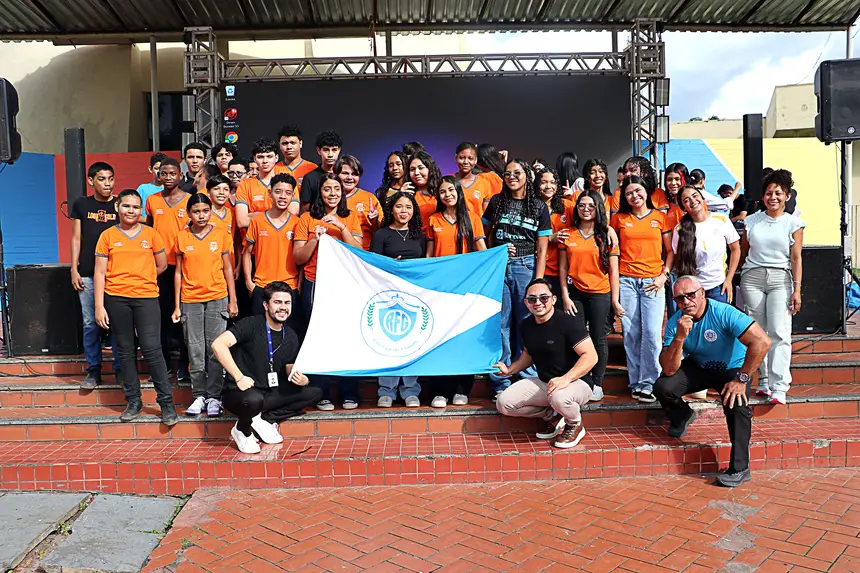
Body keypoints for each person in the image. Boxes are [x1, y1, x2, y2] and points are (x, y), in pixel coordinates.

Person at [654, 275, 772, 487]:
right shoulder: (675, 323)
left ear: (702, 293)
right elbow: (669, 368)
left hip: (732, 369)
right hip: (700, 366)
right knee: (664, 386)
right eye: (679, 298)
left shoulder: (723, 312)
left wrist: (741, 379)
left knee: (736, 403)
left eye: (690, 295)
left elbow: (762, 342)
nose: (686, 302)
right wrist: (679, 337)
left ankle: (740, 468)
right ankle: (682, 416)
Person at [94, 189, 177, 425]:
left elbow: (162, 265)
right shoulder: (107, 236)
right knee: (125, 350)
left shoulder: (151, 234)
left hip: (146, 298)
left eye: (135, 207)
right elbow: (99, 272)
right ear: (117, 207)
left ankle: (166, 403)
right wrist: (99, 306)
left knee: (152, 349)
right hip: (116, 299)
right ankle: (133, 400)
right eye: (126, 206)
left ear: (141, 210)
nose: (131, 211)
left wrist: (142, 277)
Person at [211, 282, 322, 454]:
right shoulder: (250, 324)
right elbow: (218, 345)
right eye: (277, 302)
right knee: (253, 400)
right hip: (241, 393)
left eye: (287, 303)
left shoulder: (290, 335)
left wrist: (302, 379)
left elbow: (290, 369)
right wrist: (239, 377)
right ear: (265, 305)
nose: (283, 307)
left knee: (314, 392)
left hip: (269, 394)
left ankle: (265, 419)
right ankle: (242, 430)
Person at [495, 278, 598, 449]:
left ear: (553, 299)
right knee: (504, 403)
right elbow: (529, 354)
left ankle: (574, 423)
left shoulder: (568, 322)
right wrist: (509, 370)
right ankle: (553, 416)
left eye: (544, 298)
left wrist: (566, 379)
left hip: (577, 382)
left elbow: (591, 356)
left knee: (559, 397)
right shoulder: (526, 325)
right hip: (546, 382)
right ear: (526, 303)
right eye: (532, 299)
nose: (538, 303)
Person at [483, 159, 551, 399]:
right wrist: (494, 253)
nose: (511, 177)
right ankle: (500, 381)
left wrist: (538, 280)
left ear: (527, 176)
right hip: (499, 268)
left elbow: (542, 247)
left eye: (517, 173)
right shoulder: (496, 202)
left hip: (526, 267)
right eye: (507, 173)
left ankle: (526, 378)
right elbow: (482, 235)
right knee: (501, 324)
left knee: (526, 322)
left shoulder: (538, 206)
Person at [294, 174, 362, 411]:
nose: (332, 194)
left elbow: (359, 251)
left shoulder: (350, 217)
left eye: (336, 189)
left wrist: (342, 228)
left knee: (346, 337)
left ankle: (349, 392)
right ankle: (320, 393)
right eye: (327, 189)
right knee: (318, 338)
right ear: (319, 193)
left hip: (344, 284)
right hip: (315, 282)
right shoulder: (306, 219)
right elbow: (298, 257)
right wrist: (315, 238)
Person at [740, 169, 804, 405]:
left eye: (778, 193)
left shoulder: (794, 223)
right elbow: (744, 251)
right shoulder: (751, 221)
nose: (773, 197)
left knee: (779, 332)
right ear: (762, 196)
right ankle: (764, 381)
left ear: (787, 195)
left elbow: (796, 258)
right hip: (752, 278)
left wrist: (797, 289)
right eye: (769, 193)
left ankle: (780, 386)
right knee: (757, 332)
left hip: (781, 279)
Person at [172, 193, 238, 417]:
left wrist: (233, 300)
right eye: (196, 211)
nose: (201, 215)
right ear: (189, 214)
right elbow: (178, 272)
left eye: (205, 211)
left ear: (211, 212)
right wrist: (177, 306)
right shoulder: (182, 237)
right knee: (195, 349)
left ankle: (214, 397)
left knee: (215, 348)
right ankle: (199, 394)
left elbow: (228, 268)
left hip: (217, 297)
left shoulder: (221, 234)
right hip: (190, 299)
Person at [424, 177, 487, 407]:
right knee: (440, 339)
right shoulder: (433, 220)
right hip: (441, 289)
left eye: (451, 190)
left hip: (467, 289)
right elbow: (429, 255)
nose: (447, 194)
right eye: (442, 192)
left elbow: (482, 252)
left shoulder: (473, 218)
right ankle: (441, 391)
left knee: (464, 338)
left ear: (459, 192)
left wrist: (498, 257)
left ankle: (462, 389)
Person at [611, 175, 671, 403]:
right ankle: (636, 382)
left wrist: (663, 275)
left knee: (653, 334)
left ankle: (650, 382)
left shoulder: (660, 217)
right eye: (629, 193)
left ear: (646, 192)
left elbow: (670, 252)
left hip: (653, 282)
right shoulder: (619, 219)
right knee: (631, 333)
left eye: (638, 191)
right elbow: (611, 245)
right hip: (627, 281)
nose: (634, 196)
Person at [559, 190, 621, 402]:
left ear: (598, 209)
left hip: (600, 293)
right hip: (575, 293)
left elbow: (614, 271)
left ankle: (597, 382)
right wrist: (565, 296)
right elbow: (563, 268)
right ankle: (581, 379)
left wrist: (615, 301)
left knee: (598, 338)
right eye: (581, 205)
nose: (586, 209)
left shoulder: (607, 236)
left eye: (591, 206)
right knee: (576, 338)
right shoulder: (568, 234)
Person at [370, 191, 427, 408]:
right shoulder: (381, 234)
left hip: (414, 297)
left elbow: (426, 264)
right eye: (399, 206)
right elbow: (372, 266)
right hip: (387, 297)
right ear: (391, 210)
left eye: (408, 207)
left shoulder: (420, 236)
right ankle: (386, 391)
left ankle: (410, 391)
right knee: (389, 342)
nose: (404, 211)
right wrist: (391, 265)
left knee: (413, 343)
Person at [71, 161, 122, 389]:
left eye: (111, 179)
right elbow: (76, 238)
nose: (107, 184)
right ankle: (93, 369)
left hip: (117, 274)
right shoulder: (81, 205)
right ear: (91, 181)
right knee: (90, 323)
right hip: (88, 273)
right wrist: (74, 268)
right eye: (102, 179)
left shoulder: (120, 204)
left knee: (118, 323)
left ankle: (121, 368)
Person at [668, 186, 740, 304]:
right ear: (683, 208)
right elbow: (678, 259)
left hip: (719, 287)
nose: (693, 201)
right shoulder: (679, 230)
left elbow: (735, 249)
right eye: (686, 200)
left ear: (702, 198)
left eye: (695, 196)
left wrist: (729, 279)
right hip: (693, 290)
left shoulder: (721, 220)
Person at [243, 174, 301, 315]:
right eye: (278, 192)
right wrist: (249, 282)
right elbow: (247, 253)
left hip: (289, 287)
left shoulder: (298, 223)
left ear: (293, 196)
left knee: (287, 328)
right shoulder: (257, 221)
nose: (283, 197)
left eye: (288, 193)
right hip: (262, 286)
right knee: (260, 327)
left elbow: (301, 258)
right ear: (270, 193)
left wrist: (299, 286)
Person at [236, 138, 298, 229]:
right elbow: (242, 222)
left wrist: (254, 215)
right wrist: (277, 215)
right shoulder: (245, 185)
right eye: (260, 157)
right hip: (253, 237)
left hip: (283, 235)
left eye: (269, 156)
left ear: (276, 158)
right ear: (254, 159)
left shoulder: (288, 181)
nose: (265, 161)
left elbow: (293, 213)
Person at [535, 167, 572, 307]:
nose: (548, 186)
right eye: (544, 182)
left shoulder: (567, 206)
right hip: (537, 269)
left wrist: (609, 229)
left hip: (563, 270)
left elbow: (587, 224)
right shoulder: (531, 207)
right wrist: (549, 238)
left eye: (552, 182)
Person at [336, 154, 381, 250]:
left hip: (365, 252)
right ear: (336, 174)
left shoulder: (369, 198)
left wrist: (374, 221)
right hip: (337, 251)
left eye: (355, 174)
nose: (350, 177)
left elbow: (381, 233)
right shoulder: (329, 199)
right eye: (345, 173)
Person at [299, 130, 343, 210]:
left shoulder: (344, 176)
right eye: (326, 150)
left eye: (334, 150)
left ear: (339, 150)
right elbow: (304, 210)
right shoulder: (310, 178)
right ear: (319, 150)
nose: (330, 155)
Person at [452, 142, 494, 215]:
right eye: (461, 158)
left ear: (476, 160)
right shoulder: (448, 181)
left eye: (470, 158)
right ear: (456, 158)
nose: (466, 162)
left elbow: (486, 215)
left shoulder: (484, 183)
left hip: (477, 222)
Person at [406, 151, 442, 230]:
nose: (416, 173)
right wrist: (402, 196)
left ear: (430, 169)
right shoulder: (408, 193)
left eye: (421, 168)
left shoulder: (442, 191)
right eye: (412, 169)